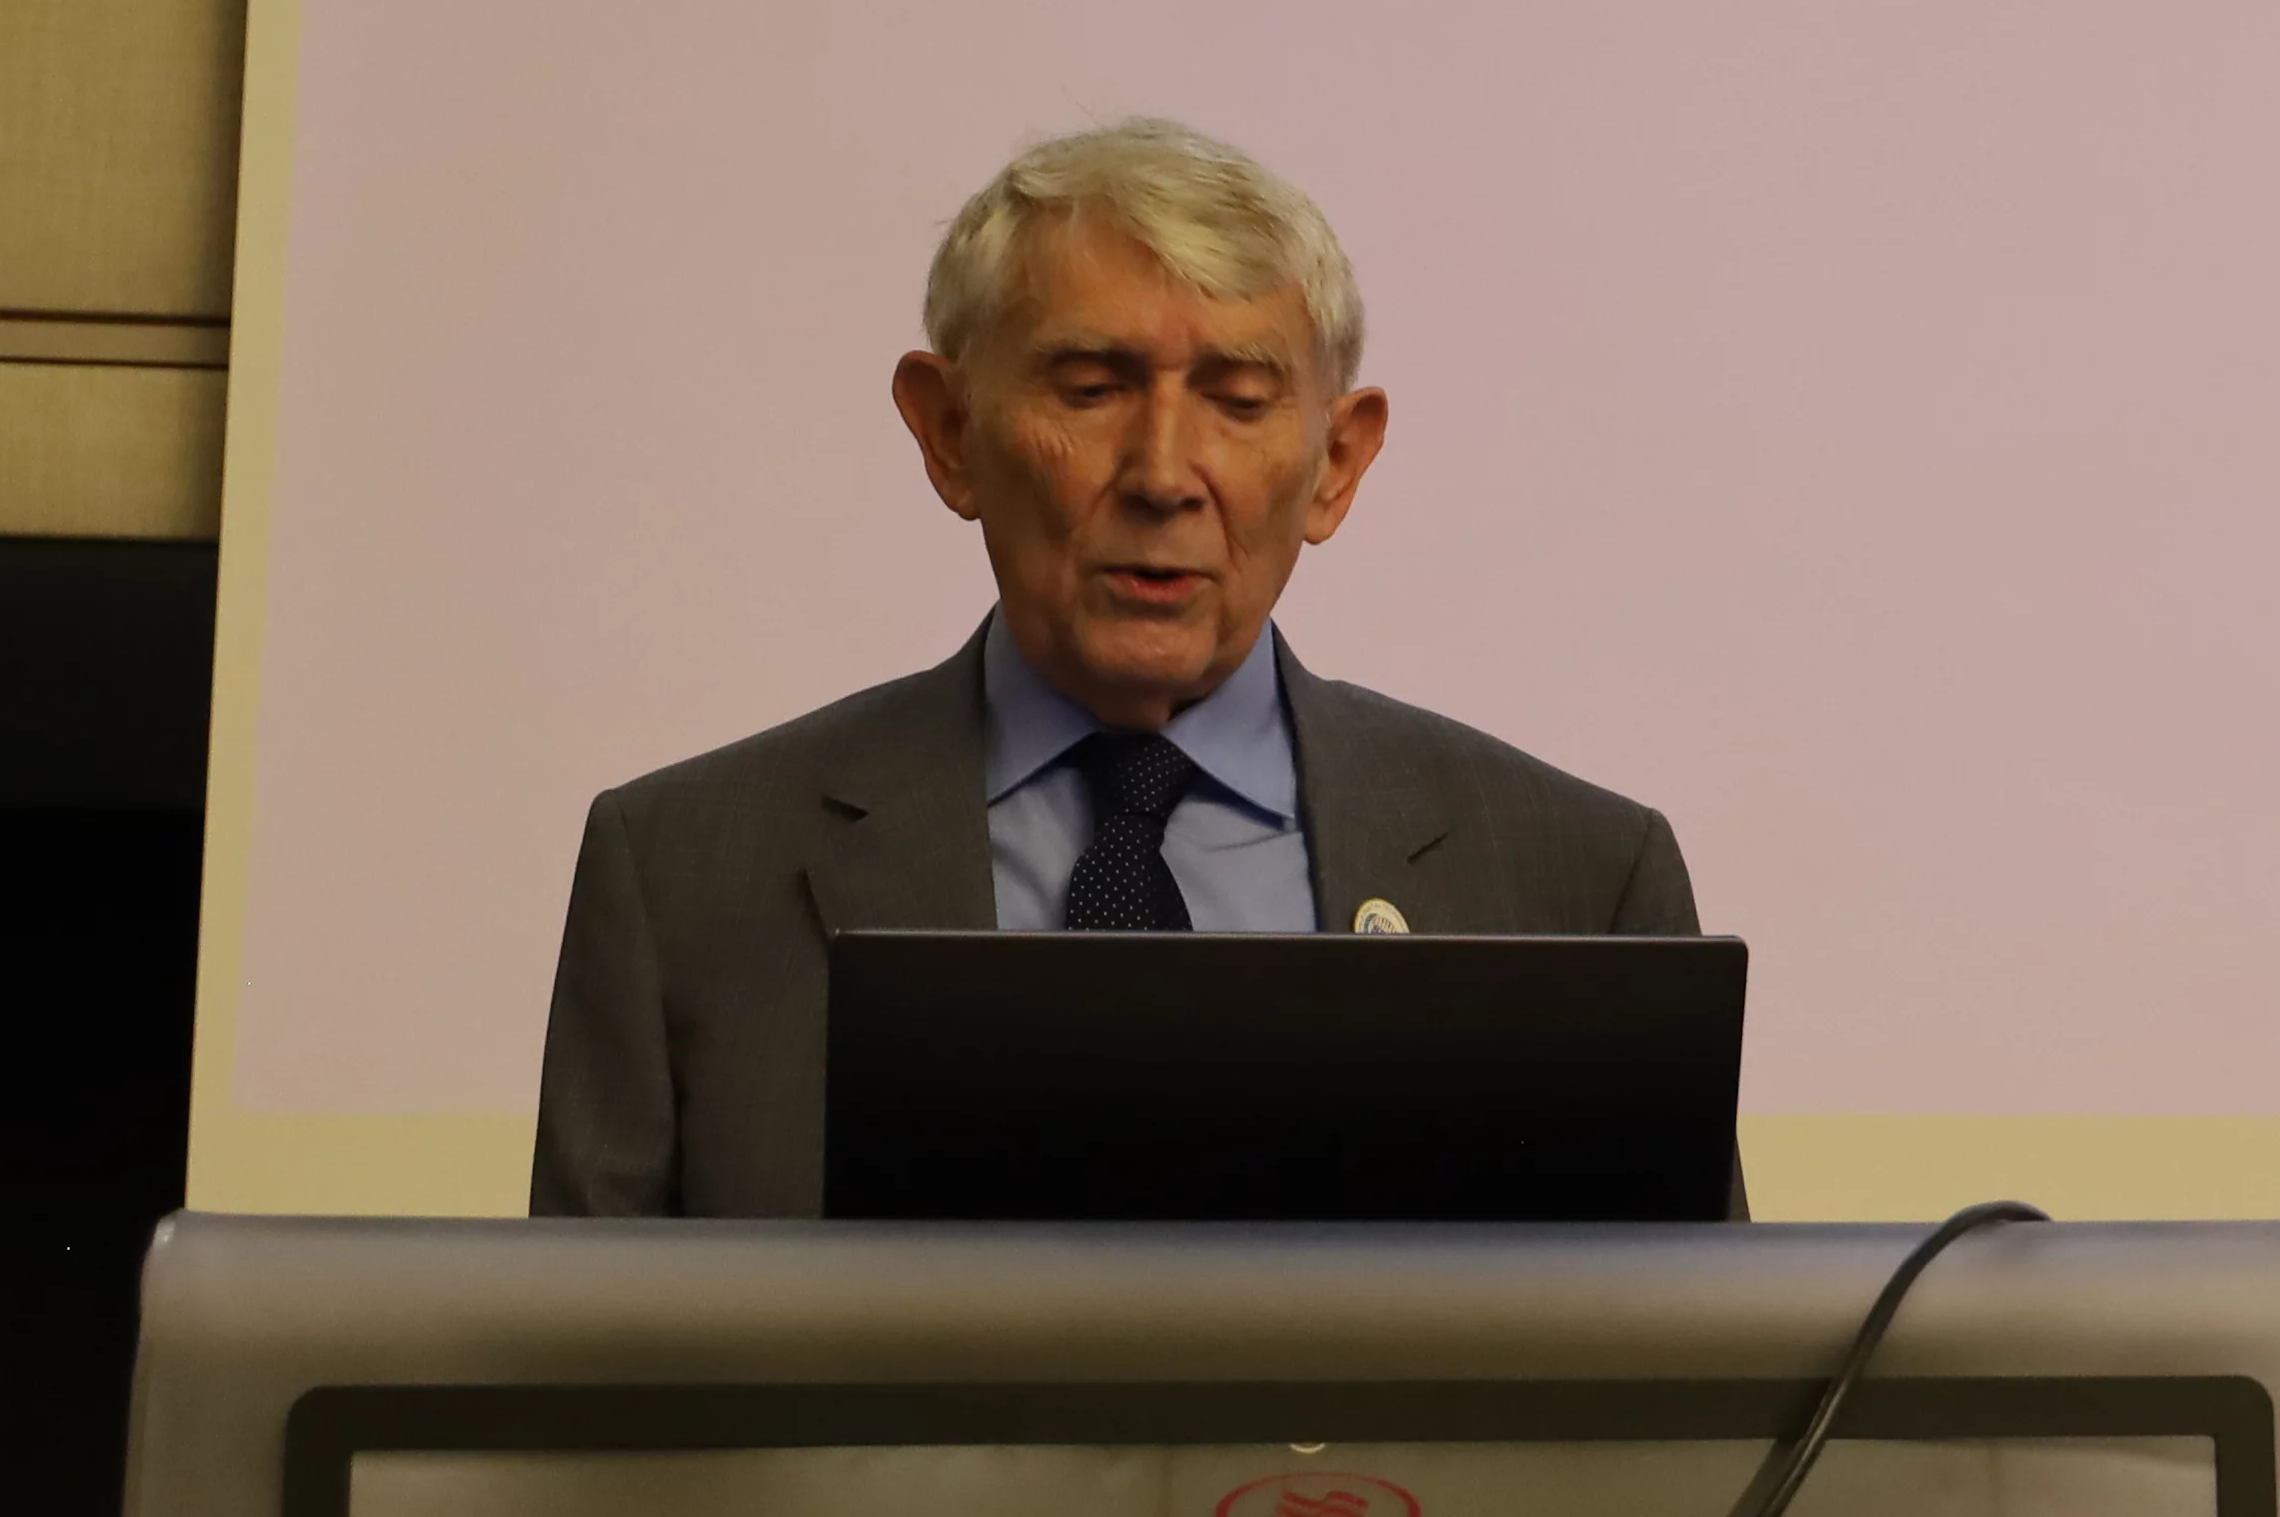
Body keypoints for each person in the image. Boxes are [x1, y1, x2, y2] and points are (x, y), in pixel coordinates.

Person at [527, 116, 1697, 1216]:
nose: (1164, 473)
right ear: (948, 430)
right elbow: (580, 1364)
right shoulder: (685, 877)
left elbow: (1683, 1363)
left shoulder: (1581, 886)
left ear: (1337, 462)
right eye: (1090, 390)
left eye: (1239, 400)